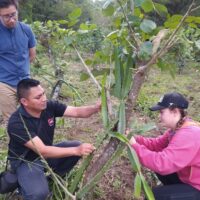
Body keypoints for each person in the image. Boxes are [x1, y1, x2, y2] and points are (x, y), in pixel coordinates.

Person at [7, 78, 101, 200]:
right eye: (38, 97)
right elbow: (42, 150)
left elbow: (77, 112)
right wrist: (77, 150)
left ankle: (48, 179)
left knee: (75, 145)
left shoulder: (48, 106)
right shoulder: (17, 123)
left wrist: (95, 108)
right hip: (27, 161)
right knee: (38, 194)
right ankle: (24, 186)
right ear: (24, 101)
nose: (44, 98)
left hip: (46, 155)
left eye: (44, 93)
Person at [129, 92, 200, 200]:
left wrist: (134, 145)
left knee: (153, 196)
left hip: (197, 186)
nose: (159, 116)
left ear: (175, 112)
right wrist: (134, 138)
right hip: (188, 178)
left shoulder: (189, 134)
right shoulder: (176, 129)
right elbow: (155, 145)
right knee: (159, 170)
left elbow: (162, 163)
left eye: (162, 112)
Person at [0, 0, 36, 122]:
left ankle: (34, 140)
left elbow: (31, 55)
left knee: (32, 115)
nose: (11, 19)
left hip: (25, 81)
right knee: (12, 121)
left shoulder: (26, 30)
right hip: (4, 83)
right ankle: (16, 141)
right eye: (6, 16)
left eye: (13, 14)